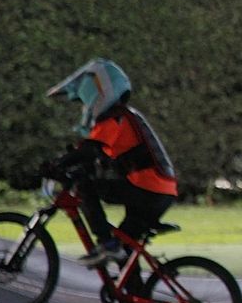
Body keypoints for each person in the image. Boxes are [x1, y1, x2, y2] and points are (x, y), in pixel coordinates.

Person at [40, 58, 178, 267]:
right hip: (158, 191)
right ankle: (131, 284)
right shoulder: (123, 116)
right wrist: (72, 162)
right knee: (124, 255)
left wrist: (57, 164)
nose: (86, 105)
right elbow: (94, 156)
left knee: (83, 187)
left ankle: (105, 242)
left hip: (148, 189)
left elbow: (90, 150)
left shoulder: (115, 118)